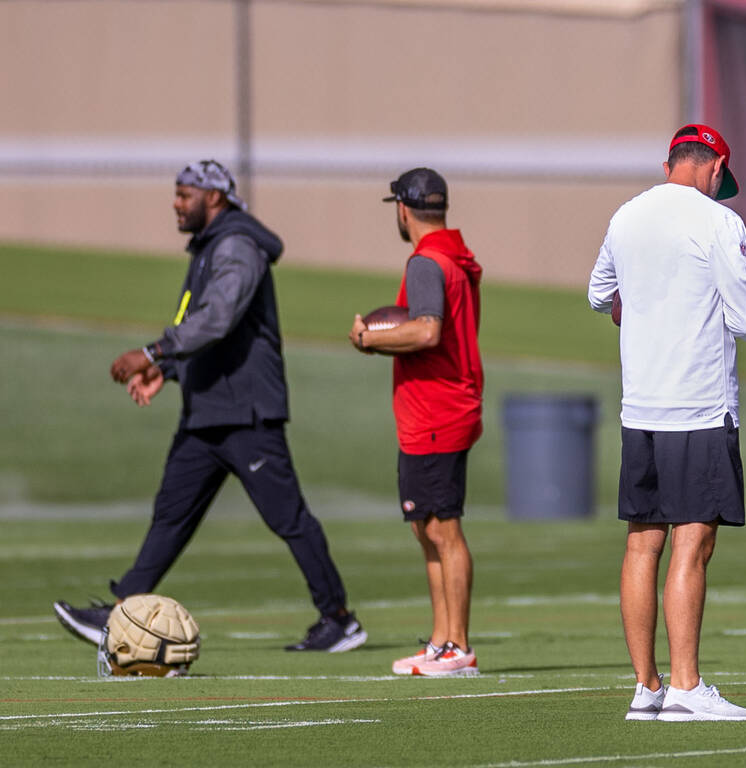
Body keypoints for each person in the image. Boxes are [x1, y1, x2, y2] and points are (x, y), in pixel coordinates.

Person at [53, 159, 365, 652]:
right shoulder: (209, 248)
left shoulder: (237, 246)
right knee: (171, 516)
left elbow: (219, 317)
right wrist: (168, 371)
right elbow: (207, 327)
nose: (176, 204)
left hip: (246, 414)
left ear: (214, 197)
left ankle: (339, 618)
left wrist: (153, 352)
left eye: (184, 194)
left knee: (288, 518)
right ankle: (121, 612)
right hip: (207, 414)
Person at [588, 124, 746, 721]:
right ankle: (687, 687)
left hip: (640, 406)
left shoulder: (626, 215)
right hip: (698, 404)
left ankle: (647, 686)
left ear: (671, 162)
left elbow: (597, 294)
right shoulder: (720, 222)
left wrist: (639, 302)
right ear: (714, 166)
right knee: (693, 544)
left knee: (642, 543)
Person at [349, 167, 483, 677]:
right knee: (427, 528)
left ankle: (459, 647)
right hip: (439, 407)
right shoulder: (455, 258)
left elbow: (427, 332)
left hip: (437, 411)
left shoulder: (428, 262)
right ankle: (442, 640)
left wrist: (369, 339)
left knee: (443, 529)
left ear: (403, 210)